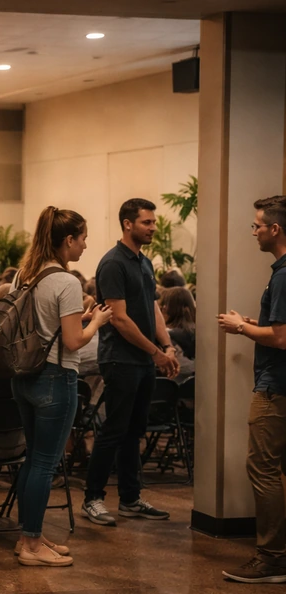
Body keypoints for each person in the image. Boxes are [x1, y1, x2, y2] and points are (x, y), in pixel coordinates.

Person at [10, 206, 111, 566]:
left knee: (32, 460)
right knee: (44, 464)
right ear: (68, 240)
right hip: (55, 379)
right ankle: (32, 545)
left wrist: (79, 319)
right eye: (82, 238)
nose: (85, 245)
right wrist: (96, 321)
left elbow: (43, 325)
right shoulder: (67, 282)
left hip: (24, 376)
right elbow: (73, 342)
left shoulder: (25, 275)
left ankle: (29, 535)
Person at [83, 198, 177, 526]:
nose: (153, 228)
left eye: (152, 222)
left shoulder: (144, 262)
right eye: (147, 223)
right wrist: (155, 351)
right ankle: (93, 498)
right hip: (120, 359)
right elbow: (120, 320)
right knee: (113, 430)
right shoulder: (113, 263)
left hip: (144, 359)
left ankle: (130, 498)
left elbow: (152, 309)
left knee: (134, 431)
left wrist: (167, 345)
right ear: (127, 224)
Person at [218, 195, 286, 584]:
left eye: (257, 225)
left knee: (262, 469)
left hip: (275, 388)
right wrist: (256, 322)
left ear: (275, 229)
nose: (254, 231)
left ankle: (271, 558)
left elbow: (279, 338)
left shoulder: (282, 275)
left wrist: (240, 327)